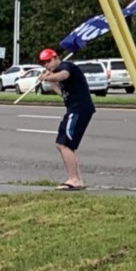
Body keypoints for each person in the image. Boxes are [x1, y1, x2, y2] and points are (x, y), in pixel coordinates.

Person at [37, 49, 96, 191]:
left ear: (56, 57)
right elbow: (62, 93)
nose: (46, 65)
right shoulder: (58, 72)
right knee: (66, 144)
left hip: (78, 110)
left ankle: (73, 179)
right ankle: (77, 179)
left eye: (48, 61)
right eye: (43, 63)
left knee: (64, 144)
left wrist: (48, 78)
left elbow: (64, 75)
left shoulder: (66, 66)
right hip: (74, 108)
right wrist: (51, 81)